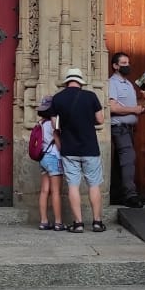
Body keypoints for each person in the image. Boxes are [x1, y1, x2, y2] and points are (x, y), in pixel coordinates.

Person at [48, 67, 107, 233]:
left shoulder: (58, 98)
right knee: (94, 185)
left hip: (69, 148)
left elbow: (54, 124)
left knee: (73, 186)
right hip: (90, 147)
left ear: (67, 81)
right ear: (80, 82)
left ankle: (78, 223)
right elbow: (100, 120)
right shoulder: (90, 96)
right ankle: (97, 222)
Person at [107, 51, 145, 209]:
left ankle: (117, 194)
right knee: (128, 159)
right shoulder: (112, 83)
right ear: (115, 66)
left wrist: (143, 106)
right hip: (119, 128)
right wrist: (134, 110)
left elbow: (131, 104)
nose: (127, 66)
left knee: (121, 163)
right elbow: (112, 107)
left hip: (129, 129)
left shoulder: (129, 83)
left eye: (128, 63)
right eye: (123, 64)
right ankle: (130, 195)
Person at [34, 96, 64, 231]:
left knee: (44, 191)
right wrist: (63, 151)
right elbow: (57, 141)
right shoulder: (54, 123)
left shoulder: (40, 123)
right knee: (56, 191)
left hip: (43, 158)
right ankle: (58, 222)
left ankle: (43, 221)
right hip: (53, 157)